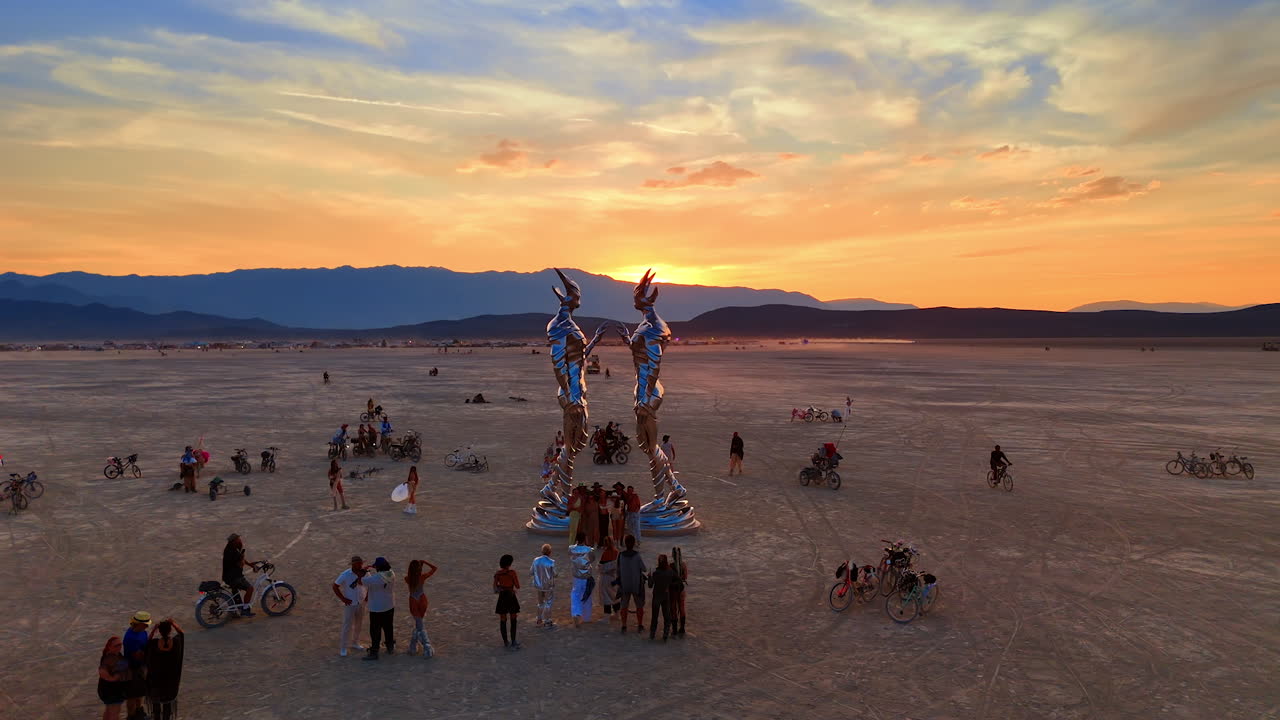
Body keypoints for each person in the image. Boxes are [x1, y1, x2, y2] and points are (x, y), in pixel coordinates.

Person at [144, 618, 185, 720]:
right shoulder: (176, 643)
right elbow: (181, 634)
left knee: (156, 707)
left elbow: (147, 643)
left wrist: (154, 629)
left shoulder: (153, 644)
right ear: (170, 630)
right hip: (170, 682)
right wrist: (173, 623)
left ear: (160, 631)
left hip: (156, 682)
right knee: (167, 707)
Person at [332, 555, 367, 657]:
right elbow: (335, 586)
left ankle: (355, 642)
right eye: (358, 564)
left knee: (359, 624)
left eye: (361, 563)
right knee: (347, 626)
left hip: (361, 603)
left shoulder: (365, 573)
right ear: (353, 565)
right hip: (350, 604)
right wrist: (343, 599)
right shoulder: (345, 574)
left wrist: (367, 596)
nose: (360, 565)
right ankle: (343, 647)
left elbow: (369, 585)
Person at [361, 557, 396, 660]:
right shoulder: (391, 573)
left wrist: (365, 571)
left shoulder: (376, 578)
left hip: (377, 608)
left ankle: (374, 651)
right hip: (389, 605)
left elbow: (363, 581)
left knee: (375, 630)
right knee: (388, 627)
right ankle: (390, 646)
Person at [406, 559, 439, 657]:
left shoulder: (407, 579)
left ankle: (424, 647)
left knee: (419, 623)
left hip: (413, 600)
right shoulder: (423, 577)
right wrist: (424, 562)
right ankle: (417, 646)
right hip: (422, 599)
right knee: (419, 623)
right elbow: (434, 568)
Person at [617, 534, 647, 633]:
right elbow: (644, 568)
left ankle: (624, 625)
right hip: (636, 584)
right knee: (639, 605)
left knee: (624, 605)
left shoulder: (620, 555)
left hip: (624, 584)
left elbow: (618, 570)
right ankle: (640, 624)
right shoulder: (637, 556)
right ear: (633, 543)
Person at [122, 611, 150, 718]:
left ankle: (139, 712)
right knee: (132, 696)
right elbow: (138, 655)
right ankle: (131, 716)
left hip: (140, 668)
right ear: (140, 624)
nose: (147, 626)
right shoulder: (131, 638)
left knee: (139, 694)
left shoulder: (142, 632)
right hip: (132, 669)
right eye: (146, 624)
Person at [98, 636, 130, 720]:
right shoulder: (109, 658)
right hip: (113, 691)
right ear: (110, 647)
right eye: (116, 645)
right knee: (114, 714)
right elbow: (102, 671)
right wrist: (113, 678)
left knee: (109, 711)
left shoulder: (115, 655)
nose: (119, 646)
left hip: (109, 690)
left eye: (120, 644)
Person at [222, 534, 257, 613]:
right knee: (250, 589)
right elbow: (240, 564)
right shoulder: (232, 551)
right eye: (238, 539)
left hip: (228, 576)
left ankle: (234, 611)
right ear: (234, 541)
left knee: (235, 591)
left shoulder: (230, 548)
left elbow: (240, 559)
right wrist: (242, 556)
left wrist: (250, 564)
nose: (240, 540)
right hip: (234, 577)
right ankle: (245, 609)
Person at [493, 554, 521, 649]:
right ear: (509, 564)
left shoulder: (498, 574)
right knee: (513, 618)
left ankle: (506, 642)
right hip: (511, 597)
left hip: (502, 597)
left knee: (503, 619)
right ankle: (513, 641)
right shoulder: (512, 573)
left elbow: (495, 589)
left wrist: (501, 587)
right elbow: (517, 586)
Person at [568, 532, 596, 627]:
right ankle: (586, 617)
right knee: (587, 595)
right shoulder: (589, 550)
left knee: (575, 594)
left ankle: (576, 613)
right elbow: (592, 559)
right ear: (584, 539)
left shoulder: (571, 549)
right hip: (586, 576)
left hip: (576, 576)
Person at [648, 554, 675, 640]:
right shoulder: (670, 571)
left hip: (657, 596)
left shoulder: (656, 573)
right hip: (666, 596)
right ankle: (665, 634)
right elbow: (676, 580)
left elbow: (650, 585)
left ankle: (652, 635)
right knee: (667, 616)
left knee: (654, 617)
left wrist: (649, 577)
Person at [530, 543, 557, 628]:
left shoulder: (535, 560)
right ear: (550, 552)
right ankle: (547, 621)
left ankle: (539, 619)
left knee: (540, 602)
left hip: (539, 586)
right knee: (548, 603)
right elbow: (555, 574)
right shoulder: (551, 562)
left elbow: (531, 572)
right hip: (548, 586)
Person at [598, 535, 620, 618]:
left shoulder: (605, 553)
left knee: (606, 595)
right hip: (614, 577)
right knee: (614, 595)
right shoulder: (617, 552)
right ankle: (617, 613)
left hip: (606, 578)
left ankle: (607, 615)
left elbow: (601, 567)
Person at [670, 546, 688, 637]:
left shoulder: (671, 566)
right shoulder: (683, 565)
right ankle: (682, 628)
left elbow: (669, 579)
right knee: (682, 607)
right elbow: (685, 577)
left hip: (673, 590)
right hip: (681, 589)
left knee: (673, 608)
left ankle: (674, 629)